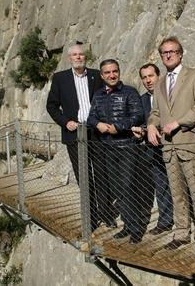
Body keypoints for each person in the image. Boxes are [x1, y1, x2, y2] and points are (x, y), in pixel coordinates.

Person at [147, 36, 195, 256]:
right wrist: (151, 126)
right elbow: (156, 112)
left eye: (172, 51)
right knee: (177, 194)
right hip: (169, 148)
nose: (168, 55)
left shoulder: (194, 75)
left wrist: (179, 121)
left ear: (180, 53)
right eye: (164, 52)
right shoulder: (160, 83)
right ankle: (181, 233)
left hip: (190, 145)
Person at [87, 59, 146, 244]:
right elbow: (91, 117)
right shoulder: (98, 95)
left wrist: (117, 127)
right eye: (107, 73)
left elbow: (138, 115)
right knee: (118, 190)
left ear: (119, 72)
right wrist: (99, 124)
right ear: (102, 75)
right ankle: (127, 225)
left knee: (128, 187)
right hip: (108, 149)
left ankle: (136, 229)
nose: (112, 75)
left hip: (127, 146)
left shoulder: (130, 92)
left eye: (114, 71)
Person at [46, 43, 102, 183]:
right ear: (69, 58)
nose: (78, 57)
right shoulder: (60, 78)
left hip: (97, 131)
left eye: (81, 54)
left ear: (85, 56)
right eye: (74, 55)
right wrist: (65, 122)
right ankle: (88, 206)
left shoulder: (96, 75)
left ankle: (103, 205)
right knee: (82, 175)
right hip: (74, 133)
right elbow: (51, 106)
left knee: (101, 173)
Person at [132, 63, 174, 235]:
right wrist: (140, 132)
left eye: (151, 76)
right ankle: (165, 221)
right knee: (161, 185)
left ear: (159, 76)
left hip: (174, 145)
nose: (148, 80)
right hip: (153, 150)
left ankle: (189, 223)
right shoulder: (140, 100)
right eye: (144, 77)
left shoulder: (170, 94)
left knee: (183, 185)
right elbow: (140, 122)